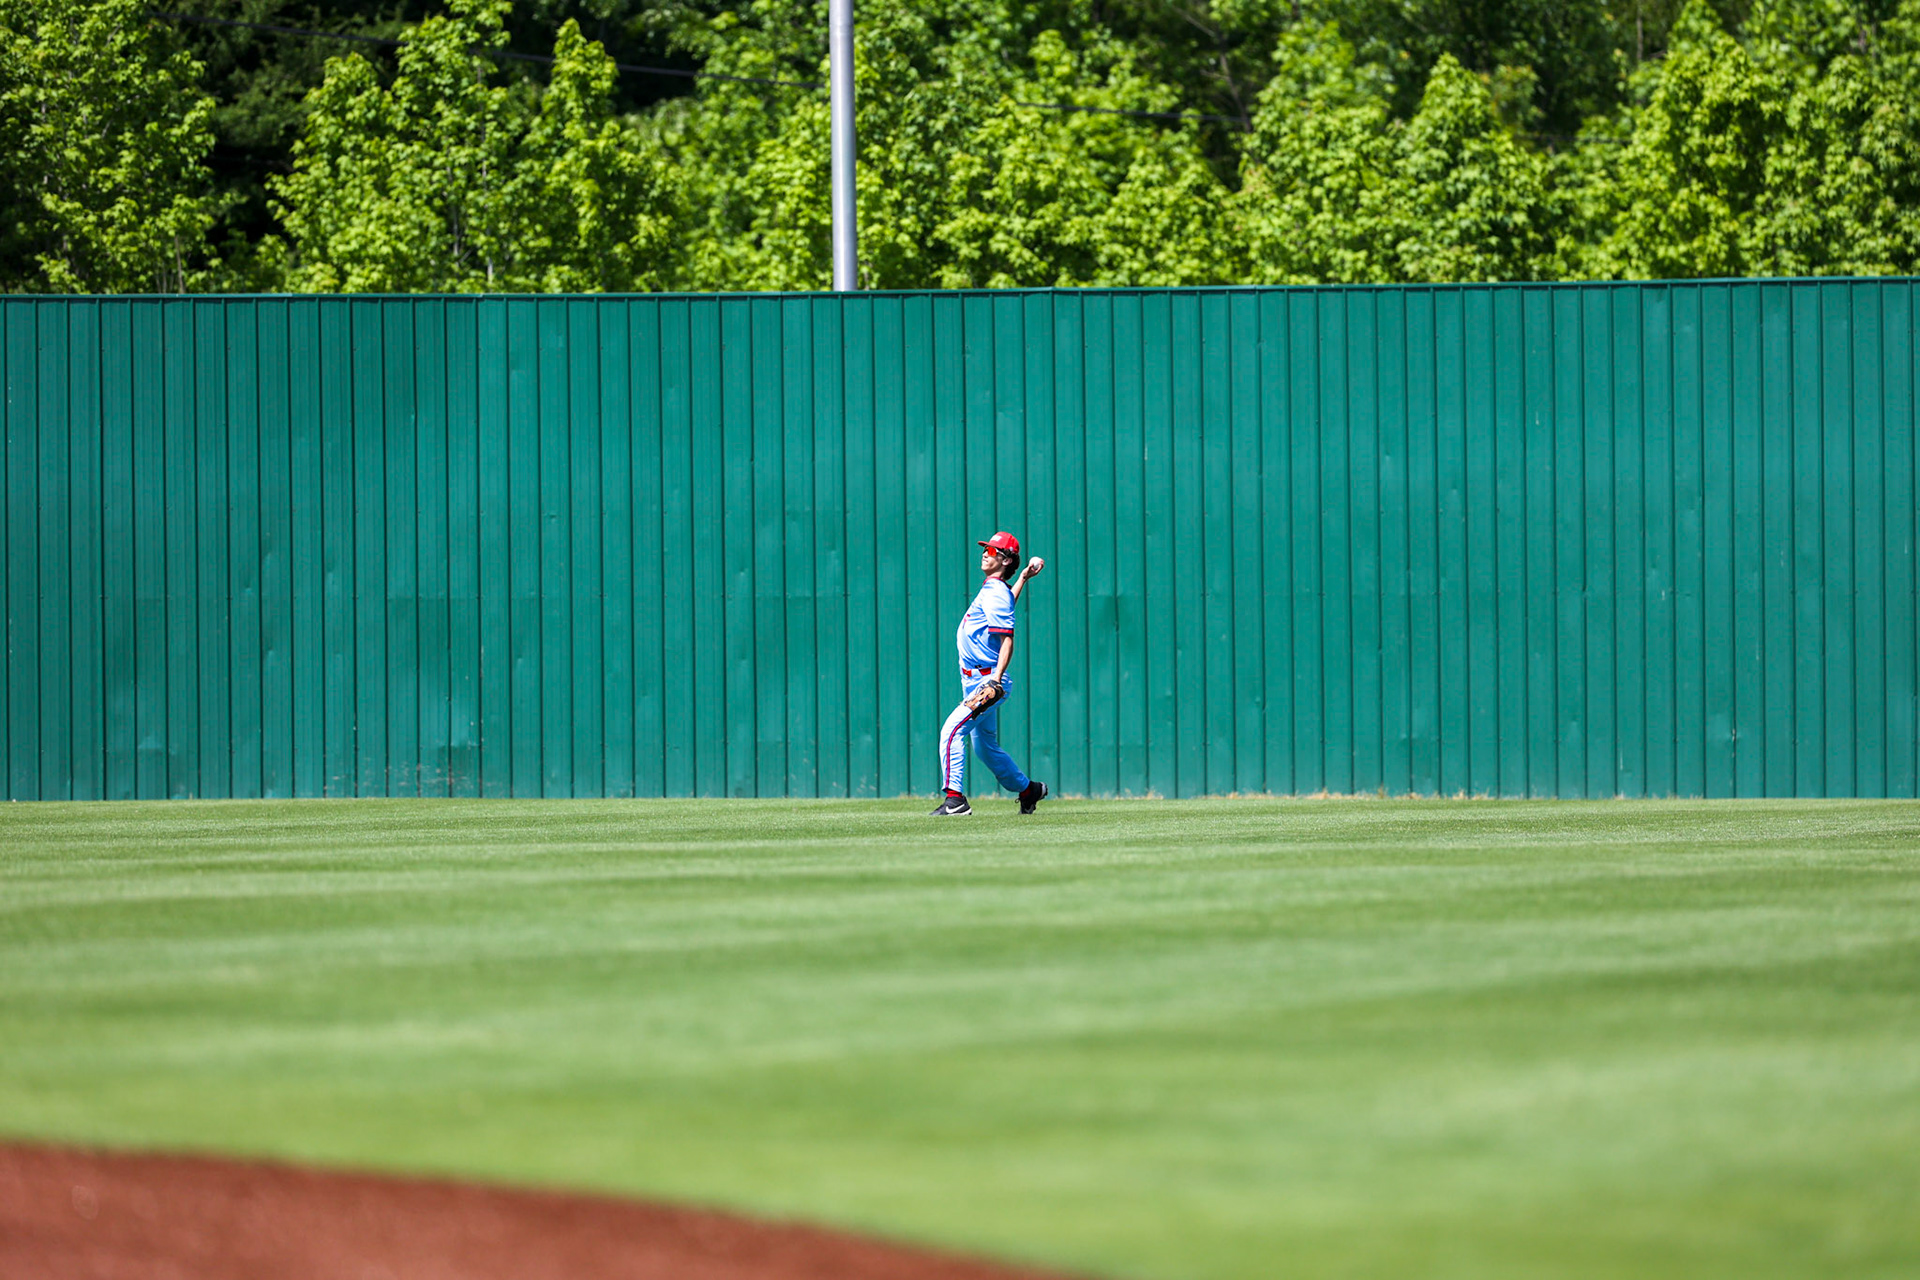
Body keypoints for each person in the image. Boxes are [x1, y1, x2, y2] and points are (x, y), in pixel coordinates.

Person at [932, 531, 1047, 816]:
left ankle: (955, 800)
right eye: (986, 549)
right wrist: (1022, 580)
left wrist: (995, 679)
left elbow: (1007, 638)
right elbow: (1006, 604)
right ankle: (1028, 790)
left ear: (1006, 560)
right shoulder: (996, 590)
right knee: (984, 747)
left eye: (994, 551)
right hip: (975, 680)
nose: (986, 553)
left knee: (951, 731)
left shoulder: (995, 591)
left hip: (986, 680)